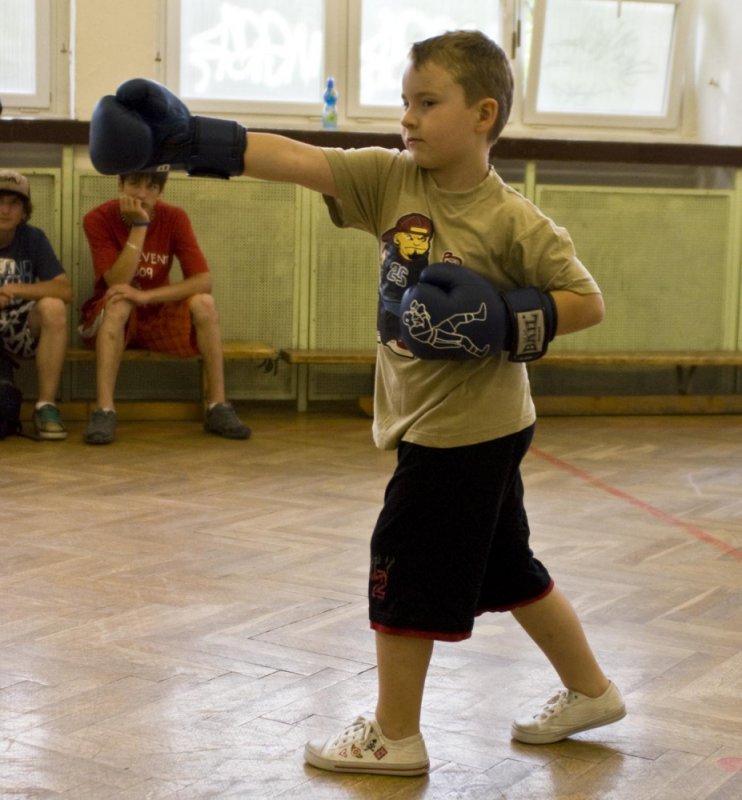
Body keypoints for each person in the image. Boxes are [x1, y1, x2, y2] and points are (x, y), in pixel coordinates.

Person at [88, 29, 626, 776]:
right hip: (466, 423)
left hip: (465, 430)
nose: (407, 117)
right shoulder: (391, 179)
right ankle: (592, 691)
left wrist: (504, 321)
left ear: (483, 113)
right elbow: (298, 160)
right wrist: (188, 141)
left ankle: (395, 734)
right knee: (507, 568)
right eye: (405, 101)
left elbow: (588, 302)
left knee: (399, 564)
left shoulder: (513, 221)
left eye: (427, 102)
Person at [79, 170, 250, 444]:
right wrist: (139, 226)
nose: (142, 193)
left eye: (151, 186)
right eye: (134, 183)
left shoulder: (174, 217)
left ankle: (218, 406)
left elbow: (203, 281)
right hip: (113, 318)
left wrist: (146, 297)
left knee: (205, 303)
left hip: (156, 313)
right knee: (119, 302)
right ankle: (104, 410)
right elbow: (117, 282)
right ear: (120, 184)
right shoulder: (97, 218)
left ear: (161, 191)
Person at [0, 170, 71, 440]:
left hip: (19, 327)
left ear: (24, 212)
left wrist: (15, 289)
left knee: (54, 307)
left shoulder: (32, 238)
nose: (5, 210)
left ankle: (45, 406)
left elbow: (64, 290)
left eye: (14, 203)